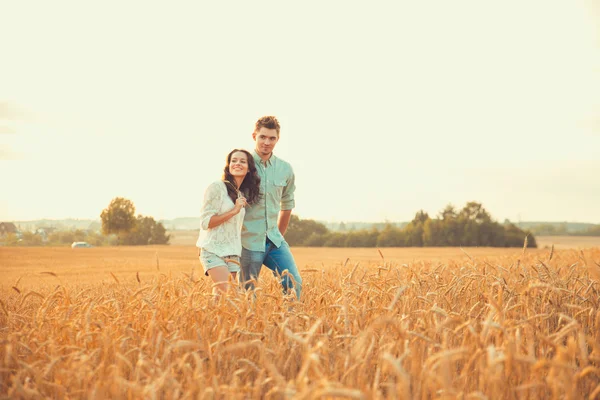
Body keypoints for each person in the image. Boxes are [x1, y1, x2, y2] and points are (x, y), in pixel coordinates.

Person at [241, 116, 303, 300]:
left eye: (272, 138)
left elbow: (287, 204)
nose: (266, 142)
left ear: (278, 139)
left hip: (274, 241)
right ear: (254, 136)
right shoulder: (241, 164)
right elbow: (225, 202)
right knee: (247, 295)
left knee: (294, 283)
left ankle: (289, 325)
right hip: (248, 242)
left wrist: (279, 235)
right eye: (262, 137)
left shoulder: (285, 169)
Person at [197, 149, 261, 296]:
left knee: (222, 300)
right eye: (234, 160)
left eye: (242, 161)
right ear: (228, 165)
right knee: (228, 293)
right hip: (213, 249)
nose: (237, 163)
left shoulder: (240, 194)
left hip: (232, 253)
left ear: (249, 168)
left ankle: (207, 320)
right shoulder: (217, 187)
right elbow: (206, 222)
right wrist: (234, 211)